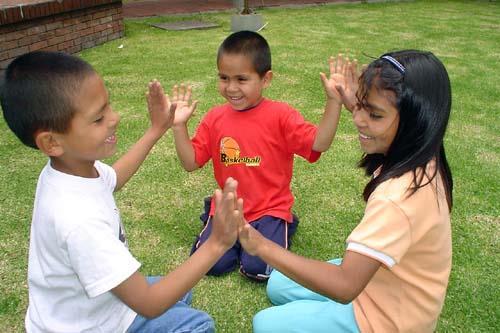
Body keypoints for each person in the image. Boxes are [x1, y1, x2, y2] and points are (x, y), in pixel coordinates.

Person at [1, 50, 241, 333]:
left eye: (108, 106)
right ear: (51, 142)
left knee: (179, 293)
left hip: (85, 307)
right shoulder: (78, 221)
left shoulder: (68, 168)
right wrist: (217, 243)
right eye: (98, 118)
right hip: (92, 326)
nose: (114, 118)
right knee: (197, 324)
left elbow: (112, 178)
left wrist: (156, 129)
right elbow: (149, 304)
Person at [236, 50, 454, 332]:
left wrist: (261, 245)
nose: (359, 120)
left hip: (384, 321)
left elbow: (344, 286)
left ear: (415, 123)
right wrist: (356, 102)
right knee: (278, 284)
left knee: (264, 324)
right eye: (361, 106)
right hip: (383, 281)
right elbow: (383, 119)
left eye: (373, 114)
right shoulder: (423, 151)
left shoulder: (396, 199)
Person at [168, 30, 343, 281]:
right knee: (211, 266)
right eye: (224, 78)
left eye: (241, 79)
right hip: (229, 209)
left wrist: (333, 102)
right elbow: (190, 162)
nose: (231, 88)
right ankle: (214, 213)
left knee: (258, 269)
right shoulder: (214, 118)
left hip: (269, 209)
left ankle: (283, 224)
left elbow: (320, 143)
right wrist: (178, 127)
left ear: (266, 79)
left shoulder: (281, 115)